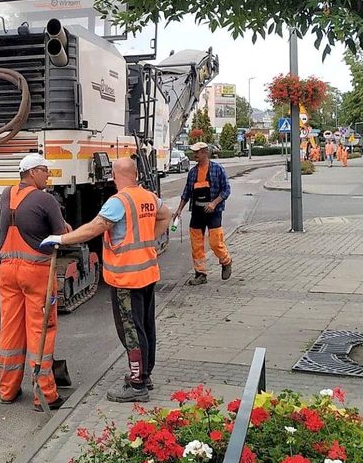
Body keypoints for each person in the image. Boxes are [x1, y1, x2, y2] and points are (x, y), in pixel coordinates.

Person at [40, 157, 170, 402]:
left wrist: (61, 239)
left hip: (126, 278)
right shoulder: (148, 197)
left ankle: (137, 385)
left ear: (114, 175)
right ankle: (144, 374)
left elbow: (94, 228)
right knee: (146, 327)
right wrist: (149, 241)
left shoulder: (118, 202)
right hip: (147, 273)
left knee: (131, 331)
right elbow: (166, 215)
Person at [0, 153, 72, 411]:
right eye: (45, 170)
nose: (48, 175)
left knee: (10, 330)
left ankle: (7, 390)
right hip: (36, 273)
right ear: (32, 172)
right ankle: (46, 395)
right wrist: (67, 229)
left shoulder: (7, 194)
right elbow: (60, 235)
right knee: (41, 331)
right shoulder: (45, 199)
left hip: (7, 271)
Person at [171, 141, 232, 285]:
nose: (194, 155)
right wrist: (179, 210)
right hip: (197, 212)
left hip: (214, 212)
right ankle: (200, 274)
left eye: (197, 152)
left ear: (205, 152)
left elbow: (226, 190)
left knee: (215, 242)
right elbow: (187, 192)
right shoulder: (193, 172)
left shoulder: (218, 169)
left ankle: (226, 261)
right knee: (196, 243)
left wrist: (214, 203)